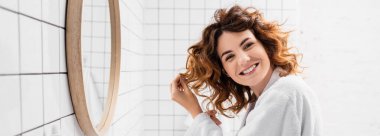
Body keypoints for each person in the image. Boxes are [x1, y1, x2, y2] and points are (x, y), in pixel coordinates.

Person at [170, 5, 322, 136]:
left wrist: (195, 112)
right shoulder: (272, 94)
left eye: (248, 45)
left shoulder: (283, 93)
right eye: (229, 57)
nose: (243, 59)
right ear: (225, 71)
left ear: (265, 45)